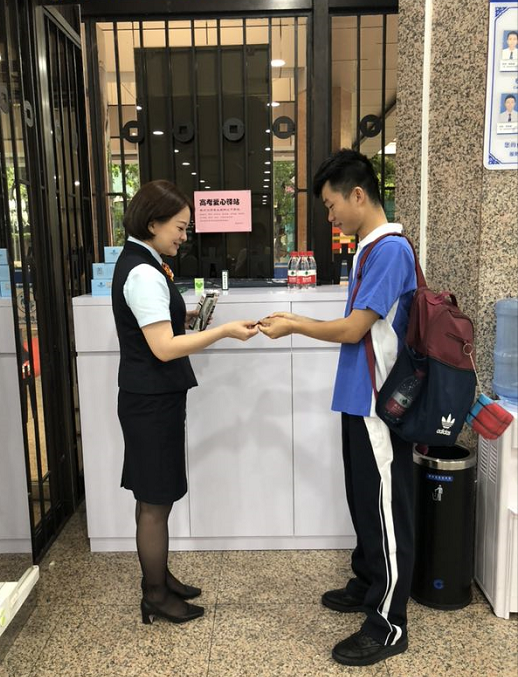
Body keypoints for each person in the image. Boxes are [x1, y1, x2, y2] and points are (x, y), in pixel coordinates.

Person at [259, 149, 417, 667]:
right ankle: (369, 580)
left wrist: (294, 323)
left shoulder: (390, 250)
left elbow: (353, 330)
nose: (330, 217)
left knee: (386, 509)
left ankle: (389, 624)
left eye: (331, 206)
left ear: (358, 195)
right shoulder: (369, 250)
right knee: (364, 499)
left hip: (380, 402)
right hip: (358, 396)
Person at [111, 180, 258, 626]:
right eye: (179, 227)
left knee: (154, 497)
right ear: (152, 223)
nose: (184, 236)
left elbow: (155, 327)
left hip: (149, 400)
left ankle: (158, 577)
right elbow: (163, 348)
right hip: (150, 403)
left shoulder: (143, 263)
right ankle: (155, 594)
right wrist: (223, 331)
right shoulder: (142, 273)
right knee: (155, 501)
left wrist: (185, 316)